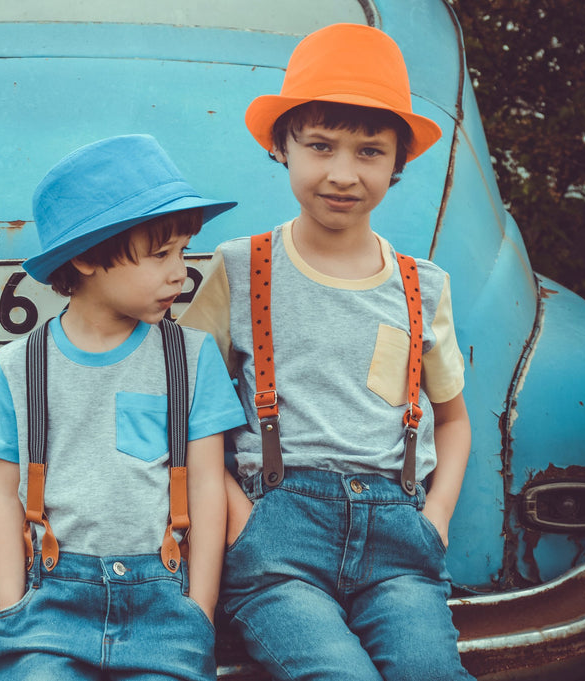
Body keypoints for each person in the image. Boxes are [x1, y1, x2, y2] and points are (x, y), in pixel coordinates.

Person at [179, 24, 474, 681]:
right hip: (278, 543)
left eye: (370, 151)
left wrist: (436, 519)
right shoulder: (240, 268)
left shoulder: (421, 286)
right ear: (282, 148)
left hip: (400, 541)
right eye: (320, 145)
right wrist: (239, 522)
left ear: (398, 162)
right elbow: (187, 411)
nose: (343, 173)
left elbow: (453, 419)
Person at [0, 134, 247, 680]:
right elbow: (4, 493)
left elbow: (209, 488)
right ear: (90, 256)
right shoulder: (17, 367)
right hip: (49, 611)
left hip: (164, 610)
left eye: (183, 251)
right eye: (160, 254)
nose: (180, 272)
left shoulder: (191, 358)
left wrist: (200, 610)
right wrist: (10, 606)